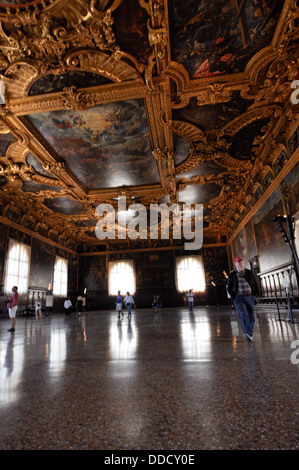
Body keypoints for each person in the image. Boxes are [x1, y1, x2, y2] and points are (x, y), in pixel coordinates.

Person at [227, 256, 259, 342]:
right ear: (235, 264)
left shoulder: (249, 272)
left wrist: (255, 294)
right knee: (244, 314)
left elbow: (255, 283)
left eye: (241, 261)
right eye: (238, 262)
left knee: (251, 316)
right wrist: (233, 297)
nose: (240, 263)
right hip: (239, 298)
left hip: (249, 297)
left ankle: (249, 332)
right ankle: (247, 333)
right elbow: (229, 287)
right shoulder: (232, 275)